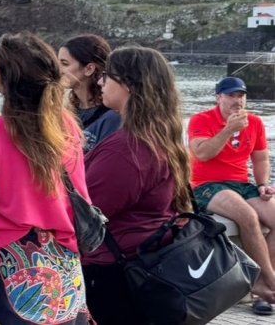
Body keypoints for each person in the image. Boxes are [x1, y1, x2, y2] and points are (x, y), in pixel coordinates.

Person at [0, 33, 90, 324]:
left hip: (3, 260)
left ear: (8, 79)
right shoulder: (67, 126)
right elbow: (80, 195)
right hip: (63, 259)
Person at [80, 46, 196, 324]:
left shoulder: (128, 148)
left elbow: (87, 213)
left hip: (117, 270)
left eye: (107, 75)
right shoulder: (162, 136)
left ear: (130, 84)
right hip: (148, 260)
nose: (100, 82)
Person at [187, 76, 275, 314]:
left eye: (241, 95)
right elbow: (203, 153)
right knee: (247, 216)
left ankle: (262, 287)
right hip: (206, 183)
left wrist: (263, 184)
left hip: (241, 183)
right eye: (231, 95)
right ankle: (269, 281)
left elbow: (260, 158)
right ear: (218, 98)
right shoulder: (201, 119)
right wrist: (228, 129)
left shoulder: (254, 122)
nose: (237, 100)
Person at [58, 35, 121, 152]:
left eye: (65, 64)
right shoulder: (65, 111)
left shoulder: (111, 117)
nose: (57, 69)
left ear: (89, 69)